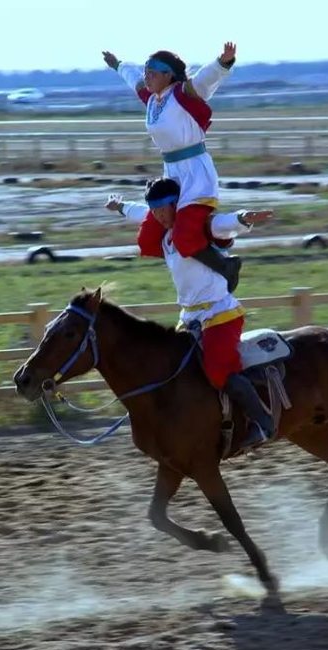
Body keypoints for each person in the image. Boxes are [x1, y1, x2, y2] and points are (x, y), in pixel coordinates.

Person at [105, 178, 276, 448]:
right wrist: (120, 206)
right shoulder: (166, 238)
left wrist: (243, 218)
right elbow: (142, 213)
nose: (159, 216)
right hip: (190, 318)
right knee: (173, 369)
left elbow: (223, 223)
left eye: (164, 209)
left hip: (220, 314)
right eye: (156, 211)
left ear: (177, 205)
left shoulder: (200, 230)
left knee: (218, 371)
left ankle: (263, 422)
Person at [102, 43, 238, 288]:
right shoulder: (152, 99)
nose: (147, 76)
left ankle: (224, 264)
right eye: (146, 71)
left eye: (153, 72)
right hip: (172, 173)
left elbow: (205, 80)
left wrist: (223, 62)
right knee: (149, 239)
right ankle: (201, 244)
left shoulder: (183, 92)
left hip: (196, 173)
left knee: (184, 235)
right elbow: (133, 78)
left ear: (169, 75)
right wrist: (118, 65)